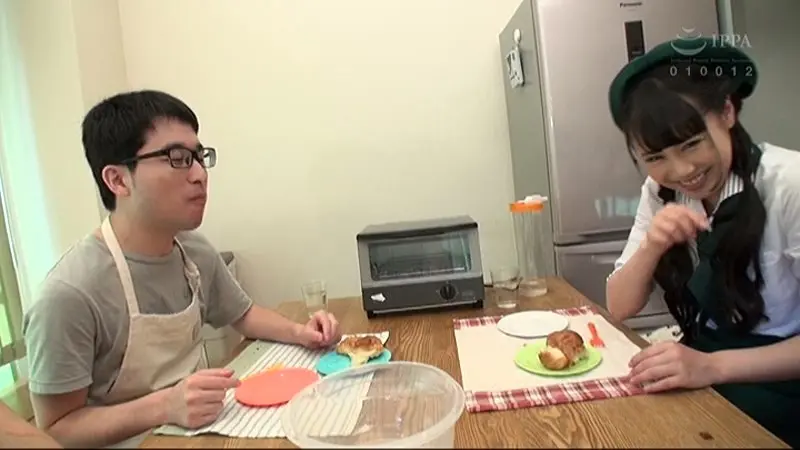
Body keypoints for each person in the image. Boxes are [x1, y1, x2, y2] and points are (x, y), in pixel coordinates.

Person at [21, 90, 343, 449]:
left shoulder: (193, 250)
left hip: (198, 436)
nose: (200, 174)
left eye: (199, 157)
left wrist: (302, 332)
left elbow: (244, 314)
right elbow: (56, 429)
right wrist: (164, 406)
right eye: (177, 158)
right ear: (118, 180)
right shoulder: (69, 294)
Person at [605, 37, 800, 447]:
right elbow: (619, 306)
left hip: (781, 382)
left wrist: (711, 367)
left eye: (692, 143)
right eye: (655, 157)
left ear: (727, 111)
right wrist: (652, 245)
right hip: (702, 365)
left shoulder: (789, 184)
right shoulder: (659, 192)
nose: (681, 171)